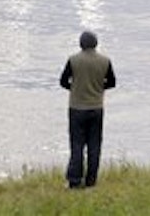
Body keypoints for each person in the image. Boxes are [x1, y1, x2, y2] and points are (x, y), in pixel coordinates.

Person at [59, 30, 116, 189]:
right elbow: (112, 82)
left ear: (80, 44)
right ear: (96, 43)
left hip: (77, 107)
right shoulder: (105, 61)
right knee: (94, 145)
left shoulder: (73, 60)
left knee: (77, 145)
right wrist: (98, 88)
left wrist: (75, 88)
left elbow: (63, 81)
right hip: (96, 108)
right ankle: (91, 181)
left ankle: (74, 180)